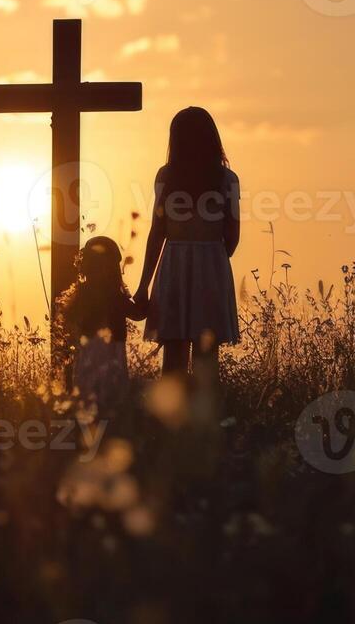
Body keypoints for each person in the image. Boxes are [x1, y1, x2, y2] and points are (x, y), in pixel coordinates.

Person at [132, 107, 240, 387]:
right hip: (212, 263)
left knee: (174, 356)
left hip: (174, 263)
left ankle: (171, 423)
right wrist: (212, 255)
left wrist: (143, 285)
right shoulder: (227, 180)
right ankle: (205, 422)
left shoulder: (166, 177)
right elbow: (233, 235)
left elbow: (157, 232)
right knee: (207, 356)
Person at [55, 236, 143, 408]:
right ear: (114, 269)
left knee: (88, 402)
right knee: (113, 402)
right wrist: (145, 297)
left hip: (88, 355)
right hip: (113, 356)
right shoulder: (116, 297)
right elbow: (138, 314)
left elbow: (68, 317)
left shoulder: (83, 295)